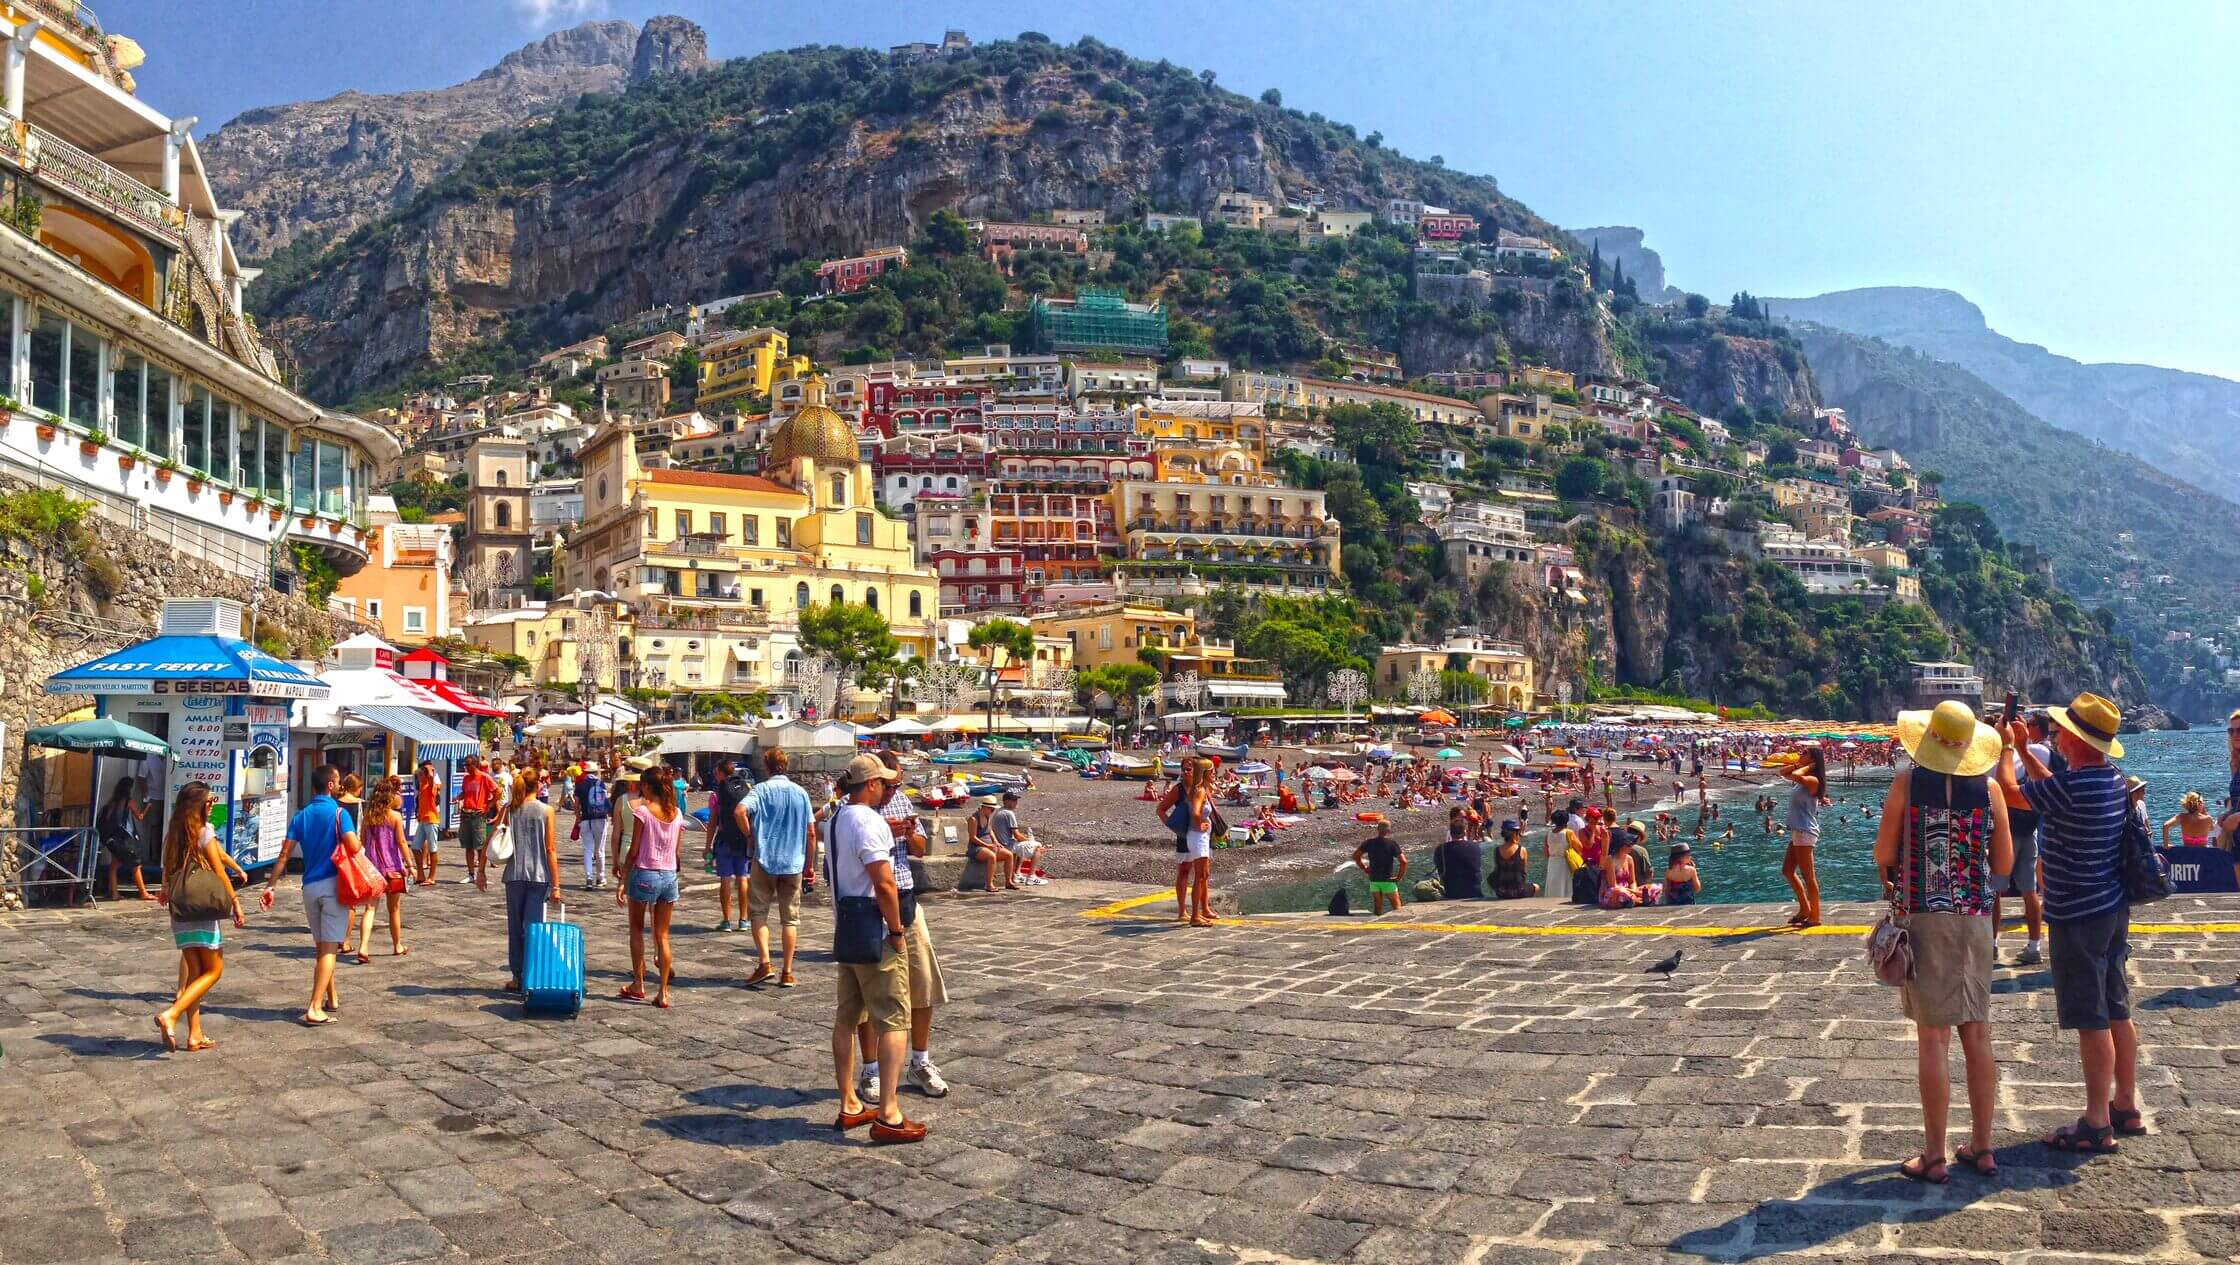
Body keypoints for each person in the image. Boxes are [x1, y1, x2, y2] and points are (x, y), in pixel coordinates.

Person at [1995, 692, 2144, 1154]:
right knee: (2116, 1005)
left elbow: (2011, 792)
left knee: (2091, 1017)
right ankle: (2125, 1104)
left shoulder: (2073, 786)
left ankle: (2096, 1123)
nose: (2055, 735)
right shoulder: (2110, 780)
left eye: (2061, 731)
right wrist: (2024, 751)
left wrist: (2003, 749)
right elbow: (2047, 794)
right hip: (2111, 908)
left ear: (2075, 740)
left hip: (2077, 915)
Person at [1878, 699, 2013, 1182]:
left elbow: (1884, 852)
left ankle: (1933, 1155)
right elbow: (2003, 867)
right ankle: (1982, 1147)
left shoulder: (1906, 784)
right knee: (1976, 1033)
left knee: (1932, 1038)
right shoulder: (1992, 790)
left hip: (1923, 919)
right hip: (1975, 921)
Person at [825, 753, 925, 1144]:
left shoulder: (835, 821)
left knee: (846, 1018)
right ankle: (889, 1112)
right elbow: (884, 884)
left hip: (846, 929)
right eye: (883, 783)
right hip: (875, 932)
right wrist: (897, 932)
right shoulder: (870, 823)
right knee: (894, 1020)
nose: (887, 788)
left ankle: (849, 1101)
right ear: (870, 785)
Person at [855, 747, 950, 1102]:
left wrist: (910, 834)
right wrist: (882, 828)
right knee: (868, 993)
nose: (894, 792)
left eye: (898, 785)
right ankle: (871, 1068)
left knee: (923, 982)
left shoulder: (903, 805)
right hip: (869, 906)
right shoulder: (855, 813)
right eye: (889, 785)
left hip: (907, 900)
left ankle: (921, 1061)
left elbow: (922, 849)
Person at [266, 765, 361, 1027]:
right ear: (330, 785)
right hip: (333, 885)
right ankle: (315, 1006)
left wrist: (270, 886)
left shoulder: (301, 816)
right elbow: (353, 847)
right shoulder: (340, 814)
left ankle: (331, 996)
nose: (340, 785)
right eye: (338, 781)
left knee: (322, 947)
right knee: (330, 948)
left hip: (309, 887)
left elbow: (284, 855)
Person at [152, 782, 244, 1052]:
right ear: (201, 805)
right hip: (202, 910)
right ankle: (172, 1014)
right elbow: (220, 872)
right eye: (211, 800)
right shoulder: (204, 834)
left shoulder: (173, 835)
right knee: (214, 970)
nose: (213, 804)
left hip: (180, 912)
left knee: (194, 973)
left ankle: (195, 1034)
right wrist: (236, 903)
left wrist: (165, 891)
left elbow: (167, 873)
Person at [741, 748, 814, 988]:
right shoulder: (801, 793)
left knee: (759, 912)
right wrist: (809, 865)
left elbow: (740, 810)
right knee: (790, 919)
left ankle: (764, 963)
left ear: (767, 766)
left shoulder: (761, 790)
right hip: (793, 861)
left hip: (765, 858)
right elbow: (811, 832)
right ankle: (788, 971)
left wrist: (749, 835)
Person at [616, 759, 682, 1007]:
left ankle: (638, 983)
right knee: (662, 935)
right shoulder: (676, 813)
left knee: (636, 929)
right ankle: (663, 991)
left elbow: (634, 850)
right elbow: (677, 851)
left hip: (646, 873)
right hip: (669, 875)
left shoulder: (643, 812)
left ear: (646, 786)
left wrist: (623, 879)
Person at [500, 768, 560, 994]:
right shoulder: (546, 811)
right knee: (534, 929)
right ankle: (532, 974)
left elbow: (497, 833)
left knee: (515, 927)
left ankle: (517, 975)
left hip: (514, 874)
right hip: (539, 875)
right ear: (538, 786)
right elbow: (551, 849)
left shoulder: (511, 809)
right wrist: (556, 885)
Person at [352, 779, 409, 961]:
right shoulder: (395, 817)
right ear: (390, 796)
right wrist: (410, 865)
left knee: (370, 908)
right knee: (394, 909)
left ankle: (363, 947)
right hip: (392, 868)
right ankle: (397, 945)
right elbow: (401, 843)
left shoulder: (368, 816)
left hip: (372, 869)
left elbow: (361, 840)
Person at [1156, 756, 1215, 926]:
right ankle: (1184, 911)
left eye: (1189, 769)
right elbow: (1160, 810)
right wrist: (1174, 826)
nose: (1185, 772)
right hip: (1187, 835)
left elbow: (1209, 811)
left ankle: (1204, 909)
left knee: (1204, 874)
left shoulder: (1201, 788)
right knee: (1185, 871)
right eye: (1184, 769)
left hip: (1201, 835)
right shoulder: (1179, 790)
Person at [1779, 746, 1827, 928]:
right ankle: (1804, 910)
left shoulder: (1813, 780)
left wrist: (1808, 765)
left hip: (1805, 831)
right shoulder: (1803, 779)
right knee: (1787, 870)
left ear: (1814, 759)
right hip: (1798, 830)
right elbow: (1782, 772)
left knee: (1809, 877)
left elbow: (1797, 776)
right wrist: (1799, 762)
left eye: (1805, 752)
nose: (1801, 753)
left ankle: (1814, 916)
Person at [709, 759, 754, 932]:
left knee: (725, 879)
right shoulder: (746, 789)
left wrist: (707, 846)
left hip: (724, 839)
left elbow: (713, 821)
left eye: (716, 772)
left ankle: (726, 920)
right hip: (742, 839)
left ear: (721, 773)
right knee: (743, 878)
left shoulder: (716, 794)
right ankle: (743, 919)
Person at [97, 776, 156, 902]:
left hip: (112, 839)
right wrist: (147, 807)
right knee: (136, 865)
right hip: (124, 839)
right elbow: (140, 817)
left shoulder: (111, 803)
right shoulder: (129, 802)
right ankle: (143, 893)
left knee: (114, 866)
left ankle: (114, 893)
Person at [457, 755, 499, 890]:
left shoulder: (484, 777)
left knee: (480, 846)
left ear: (475, 764)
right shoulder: (466, 778)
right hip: (466, 813)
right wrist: (458, 797)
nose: (466, 767)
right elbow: (465, 792)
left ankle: (482, 873)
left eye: (468, 765)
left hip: (478, 814)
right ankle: (470, 874)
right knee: (468, 845)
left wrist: (488, 806)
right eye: (465, 765)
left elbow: (497, 791)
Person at [963, 796, 1019, 892]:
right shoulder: (973, 819)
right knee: (991, 856)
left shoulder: (988, 816)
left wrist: (995, 842)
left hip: (988, 844)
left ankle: (1008, 881)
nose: (992, 810)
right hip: (976, 847)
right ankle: (989, 884)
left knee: (1008, 855)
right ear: (984, 807)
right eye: (990, 808)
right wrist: (987, 845)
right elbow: (973, 837)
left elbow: (990, 831)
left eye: (993, 809)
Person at [573, 761, 613, 890]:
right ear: (596, 772)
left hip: (585, 819)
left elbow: (576, 805)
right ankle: (600, 877)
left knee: (587, 849)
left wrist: (578, 818)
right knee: (599, 849)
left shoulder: (580, 786)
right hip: (600, 819)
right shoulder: (601, 784)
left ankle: (588, 878)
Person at [1352, 820, 1407, 913]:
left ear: (1377, 829)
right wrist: (1399, 877)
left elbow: (1356, 856)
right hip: (1387, 880)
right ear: (1389, 830)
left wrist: (1364, 868)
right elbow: (1404, 861)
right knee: (1398, 909)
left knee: (1377, 908)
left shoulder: (1369, 843)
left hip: (1374, 880)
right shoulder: (1392, 844)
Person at [993, 790, 1046, 885]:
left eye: (1016, 800)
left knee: (1021, 847)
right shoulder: (1009, 813)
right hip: (1007, 845)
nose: (1016, 802)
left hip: (1002, 843)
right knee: (1038, 848)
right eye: (1013, 800)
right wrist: (1029, 840)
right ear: (1006, 801)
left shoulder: (999, 811)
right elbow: (1017, 835)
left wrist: (1025, 841)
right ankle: (1031, 877)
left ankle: (1017, 874)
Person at [1433, 807, 1482, 900]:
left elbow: (1439, 867)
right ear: (1464, 832)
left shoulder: (1441, 849)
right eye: (1463, 817)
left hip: (1451, 892)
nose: (1465, 818)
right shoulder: (1475, 847)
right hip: (1474, 891)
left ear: (1451, 833)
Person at [411, 761, 441, 886]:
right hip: (423, 820)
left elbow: (431, 778)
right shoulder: (422, 786)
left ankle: (432, 877)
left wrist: (429, 769)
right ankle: (421, 874)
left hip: (431, 820)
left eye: (420, 775)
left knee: (433, 849)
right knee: (415, 847)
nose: (418, 777)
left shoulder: (430, 786)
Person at [1490, 821, 1537, 900]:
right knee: (1536, 886)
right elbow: (1524, 872)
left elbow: (1497, 869)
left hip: (1501, 891)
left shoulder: (1497, 850)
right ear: (1514, 834)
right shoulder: (1522, 850)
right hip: (1518, 891)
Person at [1542, 807, 1576, 903]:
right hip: (1565, 862)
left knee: (1552, 886)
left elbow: (1546, 853)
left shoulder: (1548, 834)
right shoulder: (1568, 833)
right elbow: (1580, 847)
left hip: (1552, 862)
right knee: (1566, 886)